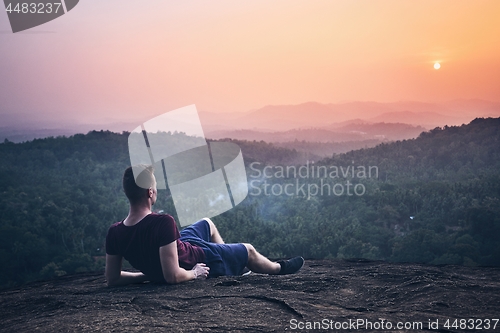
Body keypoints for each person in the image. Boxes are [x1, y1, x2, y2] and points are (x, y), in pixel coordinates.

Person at [105, 166, 304, 286]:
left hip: (178, 246)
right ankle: (279, 268)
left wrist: (146, 275)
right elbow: (172, 275)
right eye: (155, 187)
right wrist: (195, 273)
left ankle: (232, 264)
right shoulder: (162, 222)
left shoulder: (115, 232)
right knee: (249, 250)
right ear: (150, 192)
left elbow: (112, 279)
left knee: (207, 223)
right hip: (198, 257)